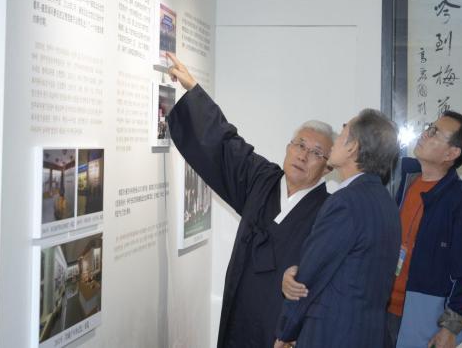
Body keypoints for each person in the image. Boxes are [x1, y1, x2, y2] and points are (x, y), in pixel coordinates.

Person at [166, 53, 334, 348]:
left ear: (328, 167)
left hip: (281, 333)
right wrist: (193, 90)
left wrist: (298, 334)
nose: (303, 155)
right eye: (300, 145)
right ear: (288, 147)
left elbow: (328, 283)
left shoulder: (329, 213)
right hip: (239, 319)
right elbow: (225, 144)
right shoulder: (262, 179)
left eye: (316, 153)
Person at [274, 109, 401, 348]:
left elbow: (310, 276)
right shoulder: (386, 203)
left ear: (352, 147)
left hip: (332, 334)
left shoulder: (345, 201)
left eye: (343, 132)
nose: (335, 141)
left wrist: (286, 331)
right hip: (369, 334)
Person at [385, 111, 462, 348]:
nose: (425, 134)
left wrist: (450, 329)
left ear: (451, 153)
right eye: (429, 127)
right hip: (383, 309)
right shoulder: (404, 181)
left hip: (423, 319)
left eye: (434, 132)